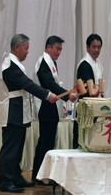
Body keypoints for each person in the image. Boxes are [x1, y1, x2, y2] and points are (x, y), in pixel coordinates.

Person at [0, 34, 59, 193]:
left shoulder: (15, 64)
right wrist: (47, 95)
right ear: (16, 47)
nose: (27, 52)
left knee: (18, 148)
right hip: (12, 113)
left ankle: (15, 176)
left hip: (19, 112)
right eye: (26, 48)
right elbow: (28, 84)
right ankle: (5, 181)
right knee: (10, 148)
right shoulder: (9, 65)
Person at [31, 35, 78, 184]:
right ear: (48, 47)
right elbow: (49, 83)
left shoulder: (51, 62)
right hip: (45, 106)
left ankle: (39, 175)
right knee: (46, 142)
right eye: (57, 48)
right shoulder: (44, 61)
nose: (59, 52)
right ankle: (42, 176)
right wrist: (66, 95)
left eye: (61, 49)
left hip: (50, 106)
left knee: (46, 141)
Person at [73, 34, 104, 149]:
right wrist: (93, 93)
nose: (96, 50)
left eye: (99, 47)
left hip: (96, 106)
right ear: (87, 47)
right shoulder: (84, 64)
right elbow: (86, 90)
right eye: (94, 47)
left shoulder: (98, 64)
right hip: (86, 108)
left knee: (94, 140)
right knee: (83, 140)